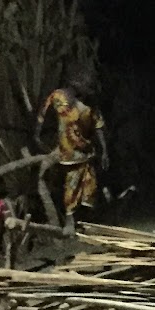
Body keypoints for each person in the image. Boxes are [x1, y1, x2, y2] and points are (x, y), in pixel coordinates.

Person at [35, 78, 109, 237]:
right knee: (72, 184)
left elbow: (98, 126)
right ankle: (70, 221)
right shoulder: (59, 98)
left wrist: (104, 151)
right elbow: (44, 113)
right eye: (87, 88)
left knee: (89, 187)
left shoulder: (88, 104)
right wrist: (38, 135)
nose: (89, 92)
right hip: (68, 151)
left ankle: (83, 222)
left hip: (85, 151)